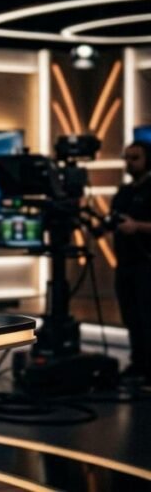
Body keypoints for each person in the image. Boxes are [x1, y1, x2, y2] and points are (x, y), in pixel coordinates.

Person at [112, 141, 151, 382]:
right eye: (127, 158)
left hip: (146, 264)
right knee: (131, 317)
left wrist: (137, 226)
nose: (129, 163)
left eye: (135, 158)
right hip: (124, 264)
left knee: (147, 318)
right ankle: (138, 364)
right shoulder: (123, 192)